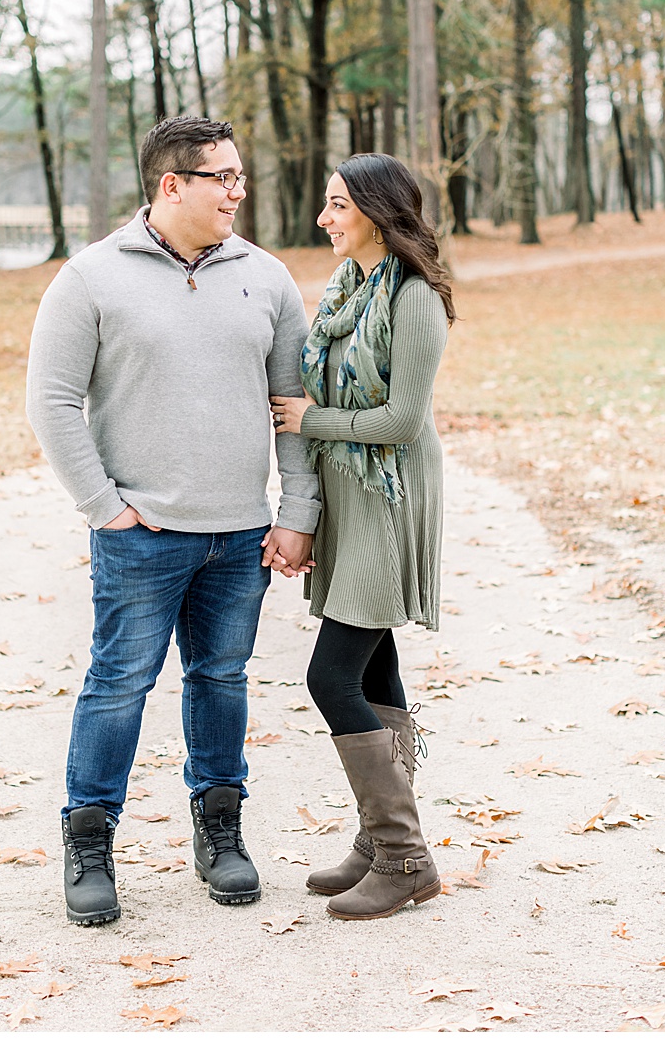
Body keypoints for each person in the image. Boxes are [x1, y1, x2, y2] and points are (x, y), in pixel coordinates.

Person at [25, 116, 319, 927]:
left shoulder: (269, 277)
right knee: (118, 685)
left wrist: (296, 511)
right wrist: (105, 509)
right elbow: (50, 400)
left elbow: (292, 408)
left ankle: (220, 834)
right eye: (221, 176)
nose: (238, 189)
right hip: (141, 534)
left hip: (239, 537)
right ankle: (89, 841)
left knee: (220, 681)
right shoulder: (89, 278)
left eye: (239, 176)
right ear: (171, 185)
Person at [268, 154, 453, 921]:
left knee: (332, 677)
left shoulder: (414, 300)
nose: (324, 218)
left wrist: (312, 421)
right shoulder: (349, 292)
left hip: (389, 495)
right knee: (376, 673)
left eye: (338, 205)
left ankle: (405, 854)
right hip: (350, 493)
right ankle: (383, 845)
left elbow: (402, 423)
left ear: (377, 211)